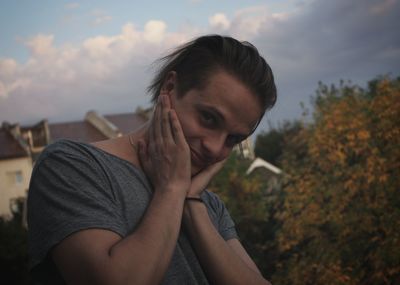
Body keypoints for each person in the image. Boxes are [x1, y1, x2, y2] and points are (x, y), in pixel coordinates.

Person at [28, 34, 277, 284]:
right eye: (209, 118)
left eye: (232, 139)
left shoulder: (207, 204)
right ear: (169, 88)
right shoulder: (74, 165)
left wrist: (190, 202)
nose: (215, 148)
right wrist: (172, 189)